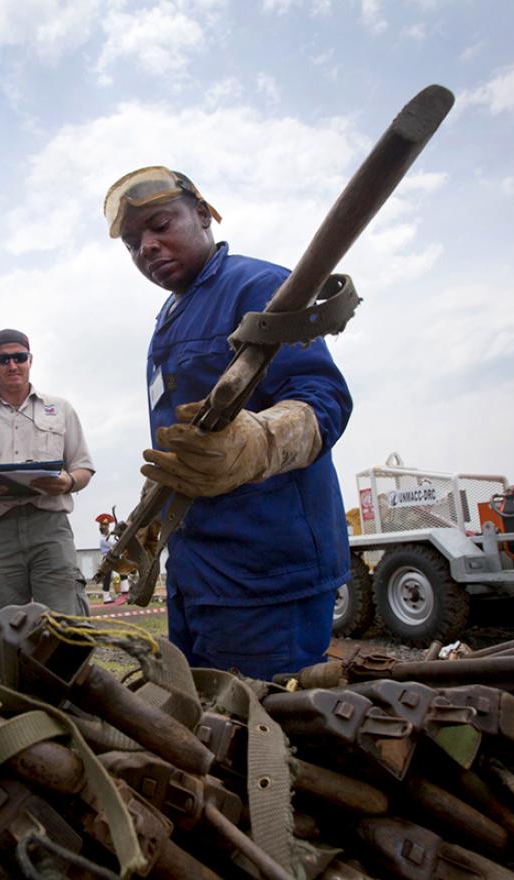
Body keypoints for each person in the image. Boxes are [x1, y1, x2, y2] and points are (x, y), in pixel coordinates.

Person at [103, 166, 354, 680]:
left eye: (159, 225)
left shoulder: (257, 285)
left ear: (202, 214)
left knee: (262, 735)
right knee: (207, 726)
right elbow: (183, 447)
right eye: (132, 243)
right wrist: (151, 520)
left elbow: (324, 398)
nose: (146, 247)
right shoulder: (170, 317)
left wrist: (257, 441)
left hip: (265, 572)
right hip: (198, 571)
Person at [0, 329, 96, 653]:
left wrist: (67, 482)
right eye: (3, 359)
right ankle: (12, 697)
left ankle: (74, 694)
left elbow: (83, 467)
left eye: (19, 357)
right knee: (4, 623)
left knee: (66, 616)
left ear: (30, 360)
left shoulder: (60, 408)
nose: (12, 364)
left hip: (50, 526)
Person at [97, 514, 117, 604]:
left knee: (122, 570)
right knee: (107, 578)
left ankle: (124, 590)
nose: (105, 527)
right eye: (103, 525)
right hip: (107, 558)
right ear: (101, 526)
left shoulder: (109, 536)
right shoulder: (103, 538)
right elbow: (113, 544)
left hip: (112, 557)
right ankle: (106, 597)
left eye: (106, 525)